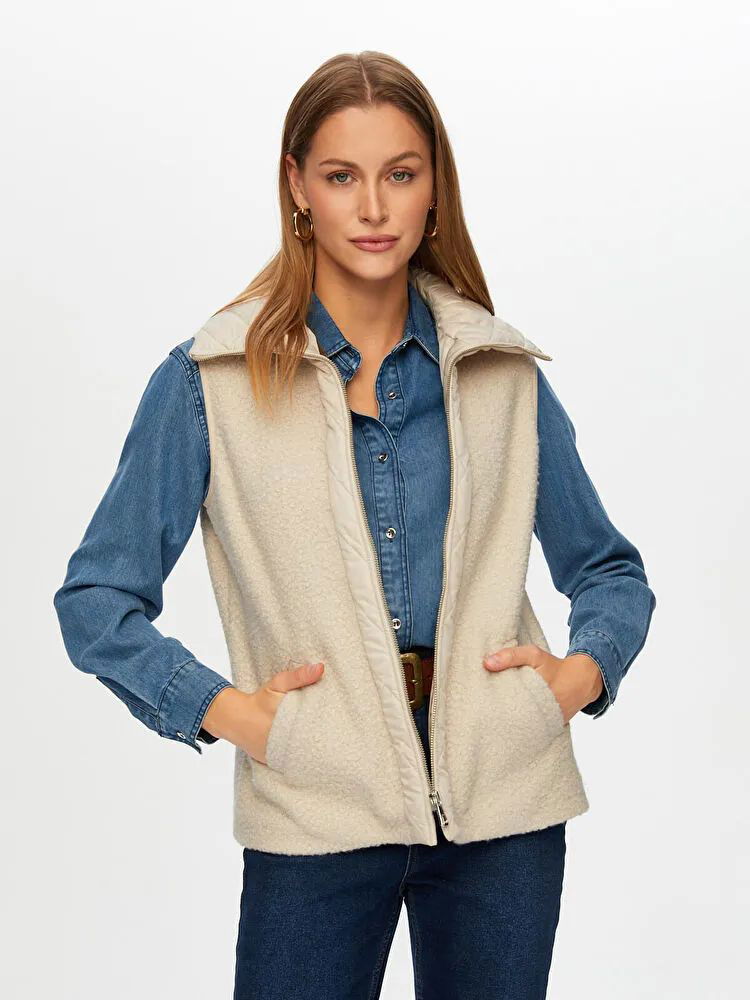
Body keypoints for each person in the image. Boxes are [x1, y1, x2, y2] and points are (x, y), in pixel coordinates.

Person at [53, 50, 656, 1000]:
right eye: (342, 177)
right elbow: (96, 599)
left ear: (433, 188)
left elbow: (610, 570)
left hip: (504, 808)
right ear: (297, 186)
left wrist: (578, 677)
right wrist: (235, 715)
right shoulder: (210, 382)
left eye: (400, 174)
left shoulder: (499, 372)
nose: (373, 208)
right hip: (316, 806)